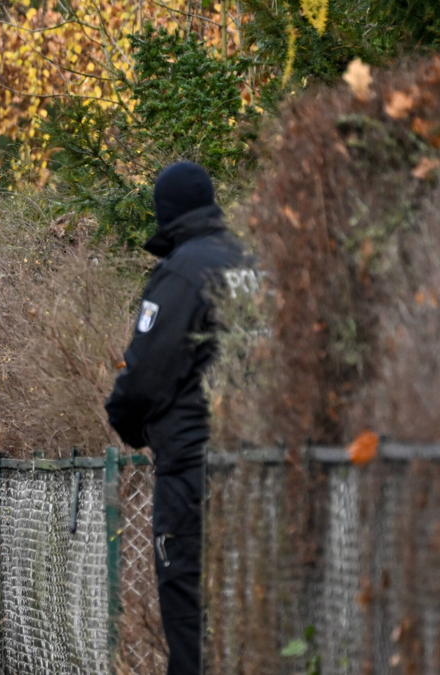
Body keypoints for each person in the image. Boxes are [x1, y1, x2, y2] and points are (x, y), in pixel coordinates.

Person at [105, 162, 256, 675]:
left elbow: (148, 371)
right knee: (252, 602)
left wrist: (127, 422)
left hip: (194, 465)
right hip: (260, 460)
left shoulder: (183, 271)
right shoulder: (251, 264)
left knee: (189, 603)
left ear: (165, 211)